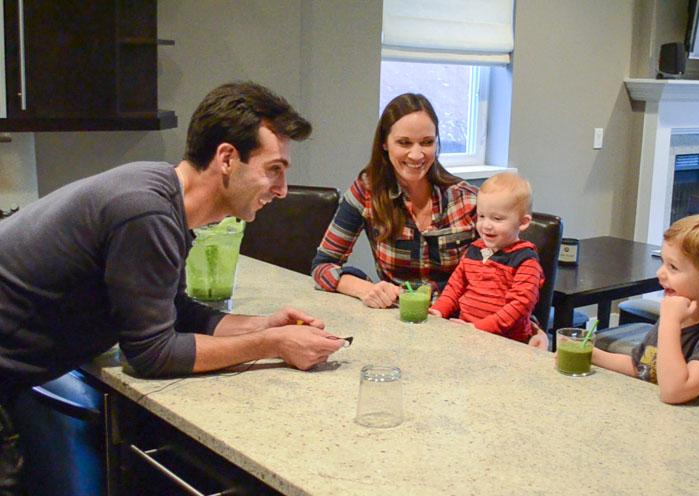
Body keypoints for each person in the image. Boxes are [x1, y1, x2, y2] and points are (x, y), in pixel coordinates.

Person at [0, 81, 346, 495]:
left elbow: (174, 308)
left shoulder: (159, 194)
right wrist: (271, 344)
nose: (282, 189)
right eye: (273, 169)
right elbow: (150, 353)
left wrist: (262, 325)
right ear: (226, 158)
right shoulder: (147, 212)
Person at [311, 93, 478, 308]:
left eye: (427, 142)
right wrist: (367, 290)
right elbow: (322, 266)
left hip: (461, 319)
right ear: (384, 144)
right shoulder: (367, 191)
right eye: (404, 143)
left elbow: (507, 274)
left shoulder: (467, 199)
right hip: (398, 317)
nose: (416, 155)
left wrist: (530, 329)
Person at [591, 211, 699, 408]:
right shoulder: (674, 319)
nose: (660, 273)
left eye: (673, 267)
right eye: (663, 263)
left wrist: (670, 322)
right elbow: (642, 368)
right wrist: (594, 355)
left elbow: (674, 391)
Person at [428, 172, 543, 343]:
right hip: (467, 333)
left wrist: (479, 328)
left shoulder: (525, 262)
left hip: (506, 342)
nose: (486, 225)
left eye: (497, 218)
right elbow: (455, 287)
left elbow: (518, 307)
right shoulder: (474, 250)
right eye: (481, 216)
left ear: (523, 222)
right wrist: (439, 310)